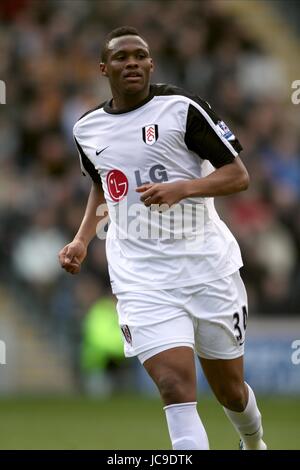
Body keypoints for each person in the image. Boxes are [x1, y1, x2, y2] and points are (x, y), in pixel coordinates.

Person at [59, 26, 267, 450]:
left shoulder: (182, 109)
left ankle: (254, 442)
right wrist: (82, 239)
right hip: (141, 274)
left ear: (151, 64)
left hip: (206, 264)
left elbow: (238, 175)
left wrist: (182, 188)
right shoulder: (87, 129)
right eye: (121, 57)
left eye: (140, 55)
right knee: (174, 384)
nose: (132, 62)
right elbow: (104, 186)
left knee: (230, 390)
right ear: (104, 68)